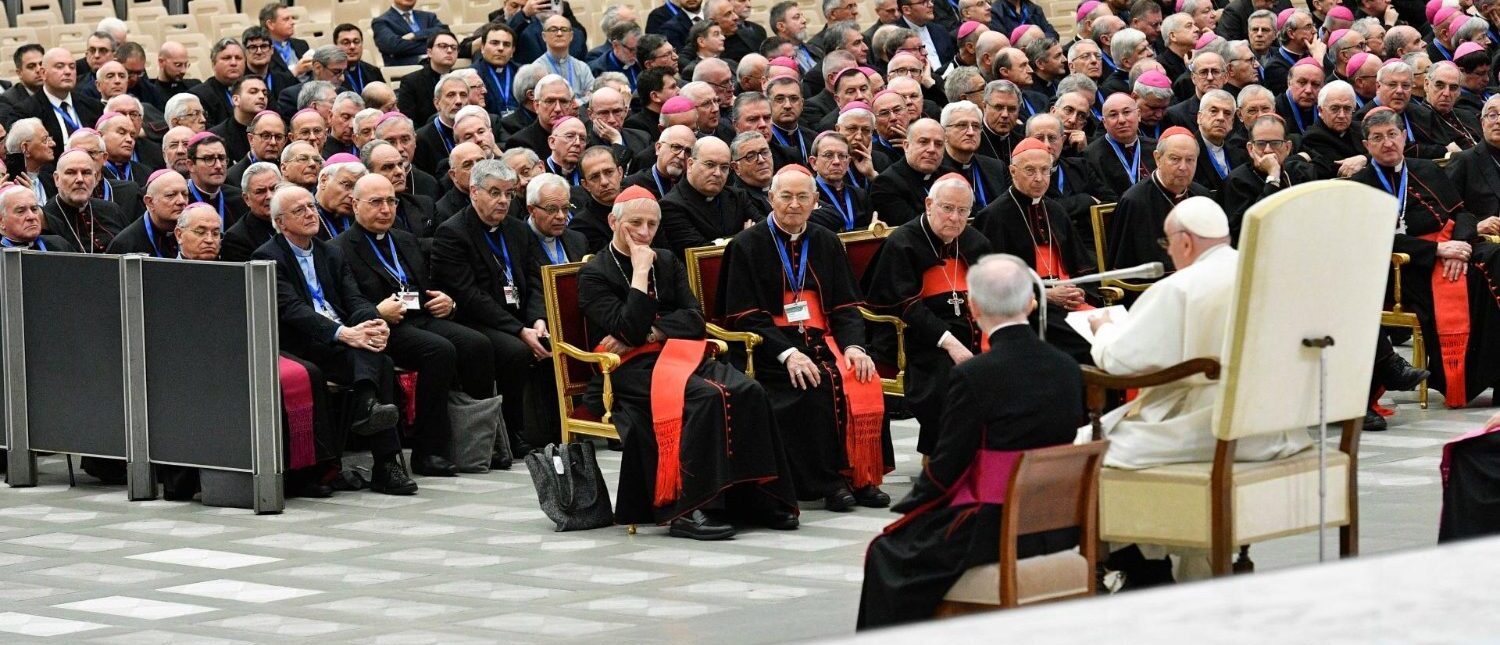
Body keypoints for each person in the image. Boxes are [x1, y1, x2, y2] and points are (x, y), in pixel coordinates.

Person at [857, 253, 1083, 631]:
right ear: (1031, 302)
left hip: (995, 527)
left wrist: (912, 506)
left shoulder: (975, 375)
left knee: (887, 553)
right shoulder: (1068, 368)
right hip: (1057, 522)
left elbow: (947, 467)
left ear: (974, 307)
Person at [577, 184, 798, 538]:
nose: (645, 232)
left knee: (749, 390)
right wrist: (638, 274)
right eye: (636, 223)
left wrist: (654, 332)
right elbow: (628, 331)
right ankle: (692, 508)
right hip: (629, 369)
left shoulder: (667, 260)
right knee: (707, 397)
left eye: (652, 224)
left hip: (680, 352)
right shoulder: (594, 274)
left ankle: (756, 497)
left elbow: (695, 318)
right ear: (612, 221)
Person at [1089, 196, 1313, 469]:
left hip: (1207, 425)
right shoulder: (1265, 273)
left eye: (1167, 244)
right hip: (1274, 424)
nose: (1169, 252)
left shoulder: (1179, 287)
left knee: (1090, 445)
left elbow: (1120, 362)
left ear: (1184, 242)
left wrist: (1104, 330)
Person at [721, 165, 892, 511]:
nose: (794, 205)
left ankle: (861, 475)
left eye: (803, 197)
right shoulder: (746, 245)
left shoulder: (826, 241)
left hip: (823, 335)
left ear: (816, 201)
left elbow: (845, 307)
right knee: (810, 386)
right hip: (771, 346)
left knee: (863, 377)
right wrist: (787, 354)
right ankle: (827, 483)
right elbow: (745, 315)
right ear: (770, 199)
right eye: (786, 196)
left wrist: (855, 347)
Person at [253, 183, 417, 495]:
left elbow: (354, 299)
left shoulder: (331, 252)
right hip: (301, 342)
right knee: (374, 359)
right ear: (280, 222)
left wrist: (372, 322)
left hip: (341, 339)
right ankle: (381, 459)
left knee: (378, 354)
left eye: (311, 206)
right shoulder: (268, 257)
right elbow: (293, 311)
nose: (310, 213)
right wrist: (344, 334)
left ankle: (374, 427)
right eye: (299, 210)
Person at [335, 173, 494, 476]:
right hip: (383, 328)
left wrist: (449, 302)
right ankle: (428, 450)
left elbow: (429, 285)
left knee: (477, 344)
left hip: (420, 318)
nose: (386, 209)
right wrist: (377, 312)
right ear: (355, 205)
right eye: (376, 202)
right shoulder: (340, 247)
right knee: (439, 350)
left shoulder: (405, 240)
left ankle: (478, 439)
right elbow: (346, 303)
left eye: (391, 201)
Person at [1351, 107, 1500, 409]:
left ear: (1404, 136)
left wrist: (1460, 245)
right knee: (1475, 279)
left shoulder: (1427, 169)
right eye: (1377, 138)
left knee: (1496, 256)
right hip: (1407, 267)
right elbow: (1372, 238)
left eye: (1393, 134)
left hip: (1453, 248)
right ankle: (1467, 377)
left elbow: (1462, 213)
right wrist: (1436, 252)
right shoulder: (1360, 184)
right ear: (1366, 145)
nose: (1387, 142)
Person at [864, 173, 992, 455]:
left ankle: (992, 459)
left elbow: (991, 293)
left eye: (963, 211)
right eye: (947, 208)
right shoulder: (904, 242)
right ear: (929, 204)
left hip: (971, 331)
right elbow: (906, 306)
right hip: (917, 339)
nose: (955, 219)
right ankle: (943, 460)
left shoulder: (975, 241)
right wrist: (950, 342)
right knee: (948, 381)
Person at [430, 159, 546, 453]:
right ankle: (512, 430)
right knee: (514, 351)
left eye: (508, 193)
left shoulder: (518, 230)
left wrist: (538, 321)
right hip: (473, 319)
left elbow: (536, 279)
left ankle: (554, 426)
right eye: (495, 193)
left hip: (519, 316)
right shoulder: (453, 232)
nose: (503, 201)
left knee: (553, 339)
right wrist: (520, 330)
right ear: (474, 192)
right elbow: (469, 296)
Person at [974, 137, 1096, 362]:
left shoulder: (1056, 211)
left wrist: (1079, 291)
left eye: (1045, 170)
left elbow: (1080, 267)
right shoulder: (994, 217)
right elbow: (993, 284)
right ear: (1012, 171)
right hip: (1026, 310)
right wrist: (1045, 295)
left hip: (1067, 303)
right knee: (1087, 342)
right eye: (1030, 170)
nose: (1039, 178)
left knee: (1116, 330)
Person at [1107, 126, 1209, 272]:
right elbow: (1123, 267)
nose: (1183, 167)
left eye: (1190, 160)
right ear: (1158, 158)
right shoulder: (1134, 201)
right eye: (1175, 159)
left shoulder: (1202, 197)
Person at [657, 136, 760, 255]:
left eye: (724, 167)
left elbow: (764, 231)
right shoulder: (671, 205)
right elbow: (699, 252)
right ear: (690, 164)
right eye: (710, 165)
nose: (717, 173)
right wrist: (745, 236)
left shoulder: (738, 196)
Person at [42, 146, 128, 253]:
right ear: (57, 179)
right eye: (71, 173)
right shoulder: (46, 218)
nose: (80, 179)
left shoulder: (112, 210)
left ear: (96, 178)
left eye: (86, 173)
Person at [868, 118, 945, 226]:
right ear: (906, 146)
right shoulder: (886, 184)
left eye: (938, 144)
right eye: (923, 142)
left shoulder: (950, 176)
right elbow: (913, 228)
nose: (932, 149)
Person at [106, 169, 188, 257]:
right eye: (171, 195)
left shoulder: (195, 232)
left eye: (185, 194)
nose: (181, 201)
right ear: (150, 202)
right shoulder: (125, 244)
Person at [222, 162, 282, 261]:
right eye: (260, 191)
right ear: (246, 199)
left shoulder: (297, 221)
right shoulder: (237, 239)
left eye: (274, 188)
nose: (270, 196)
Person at [373, 0, 450, 67]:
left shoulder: (428, 16)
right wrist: (435, 46)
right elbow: (393, 46)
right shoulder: (382, 21)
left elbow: (445, 32)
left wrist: (415, 35)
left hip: (437, 67)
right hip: (406, 71)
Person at [1, 184, 74, 252]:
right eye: (21, 211)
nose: (31, 216)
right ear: (1, 222)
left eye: (34, 209)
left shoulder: (59, 245)